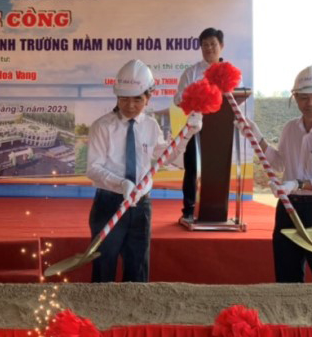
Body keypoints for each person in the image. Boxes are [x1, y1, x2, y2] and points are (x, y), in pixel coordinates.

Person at [87, 60, 200, 282]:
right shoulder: (102, 126)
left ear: (149, 96)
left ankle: (134, 316)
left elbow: (168, 158)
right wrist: (121, 183)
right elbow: (93, 168)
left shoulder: (151, 126)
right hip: (109, 204)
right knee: (103, 264)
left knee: (138, 267)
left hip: (141, 206)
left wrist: (188, 134)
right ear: (117, 97)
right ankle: (100, 313)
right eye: (124, 99)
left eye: (137, 99)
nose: (130, 105)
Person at [247, 66, 312, 282]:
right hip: (288, 209)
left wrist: (295, 184)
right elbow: (278, 163)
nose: (310, 103)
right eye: (303, 97)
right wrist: (257, 138)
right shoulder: (290, 129)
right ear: (295, 98)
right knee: (287, 277)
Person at [173, 27, 230, 221]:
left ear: (221, 46)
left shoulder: (229, 73)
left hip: (222, 130)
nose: (209, 48)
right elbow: (178, 98)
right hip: (196, 127)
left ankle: (216, 208)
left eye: (213, 44)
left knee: (217, 171)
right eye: (205, 45)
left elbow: (236, 99)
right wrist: (195, 96)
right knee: (193, 168)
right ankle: (189, 209)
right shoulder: (192, 73)